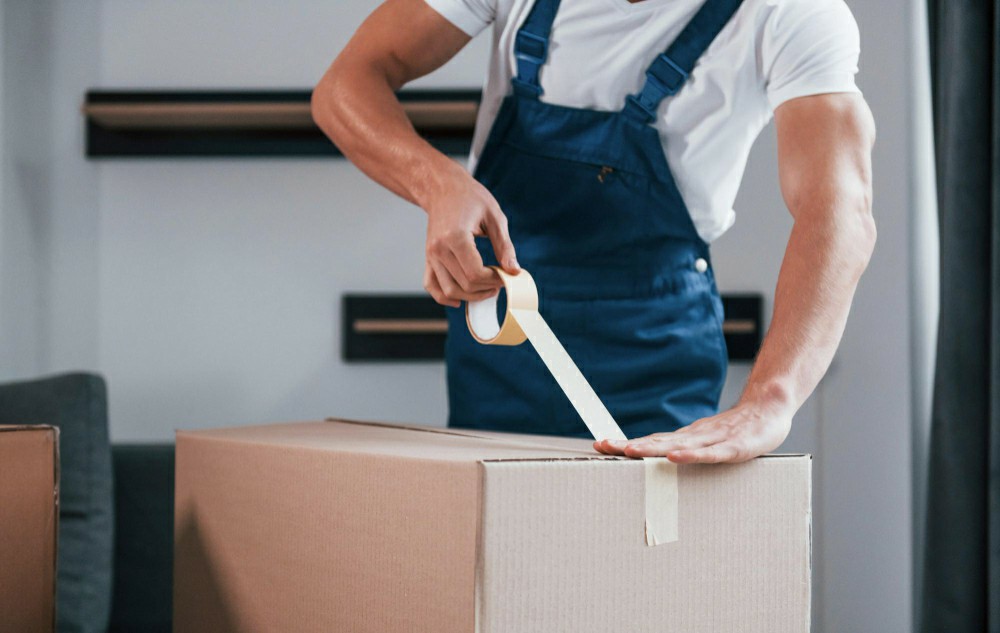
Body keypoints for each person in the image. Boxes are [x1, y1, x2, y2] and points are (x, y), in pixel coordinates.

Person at [312, 0, 876, 463]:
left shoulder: (791, 14)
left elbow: (839, 210)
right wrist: (437, 184)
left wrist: (771, 400)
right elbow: (346, 85)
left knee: (646, 568)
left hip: (653, 347)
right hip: (505, 333)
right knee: (501, 568)